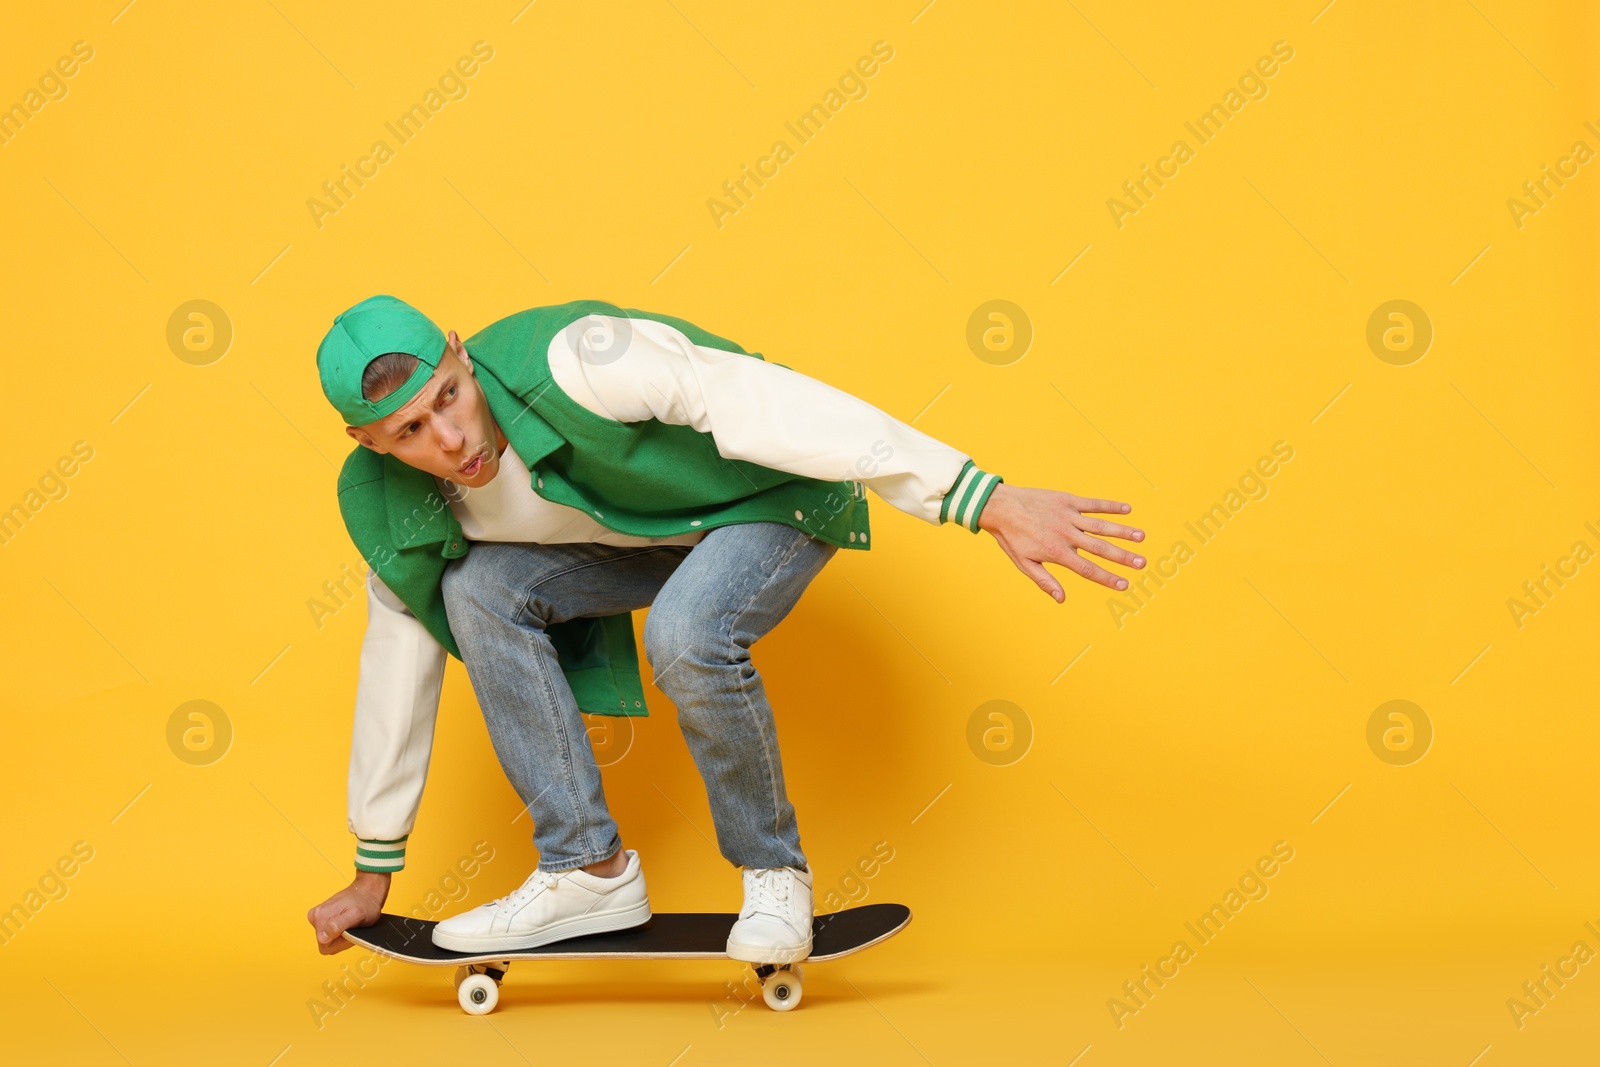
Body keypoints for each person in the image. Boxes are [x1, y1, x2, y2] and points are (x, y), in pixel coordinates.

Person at [305, 295, 1146, 961]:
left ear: (460, 350)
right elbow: (397, 659)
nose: (450, 441)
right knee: (472, 586)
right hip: (641, 540)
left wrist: (977, 496)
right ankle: (586, 871)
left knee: (685, 633)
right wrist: (374, 863)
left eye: (449, 396)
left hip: (769, 499)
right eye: (409, 432)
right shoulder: (396, 503)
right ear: (366, 441)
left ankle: (773, 872)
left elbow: (769, 403)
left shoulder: (578, 359)